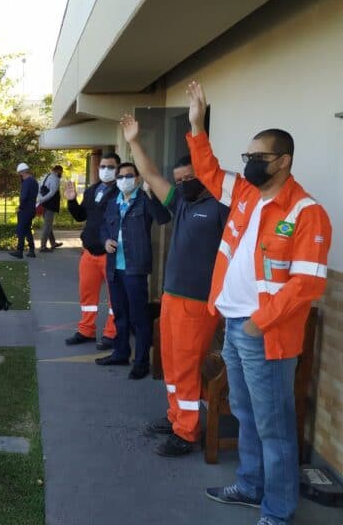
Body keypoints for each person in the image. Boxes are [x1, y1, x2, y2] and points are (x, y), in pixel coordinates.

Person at [186, 82, 331, 525]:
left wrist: (256, 324)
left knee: (275, 426)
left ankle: (278, 509)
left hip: (263, 332)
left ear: (283, 160)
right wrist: (196, 125)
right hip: (233, 323)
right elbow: (210, 173)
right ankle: (250, 486)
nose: (248, 164)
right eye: (247, 158)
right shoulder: (248, 196)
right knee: (246, 413)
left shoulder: (306, 212)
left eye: (258, 158)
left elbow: (307, 285)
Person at [120, 114, 229, 456]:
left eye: (189, 177)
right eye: (179, 179)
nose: (182, 183)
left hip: (198, 301)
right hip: (172, 297)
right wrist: (135, 141)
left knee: (185, 364)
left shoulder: (222, 207)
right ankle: (176, 415)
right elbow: (150, 174)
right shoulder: (183, 202)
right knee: (170, 360)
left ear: (204, 175)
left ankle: (186, 431)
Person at [97, 162, 171, 379]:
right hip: (114, 268)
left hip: (135, 268)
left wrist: (152, 196)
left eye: (128, 176)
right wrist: (105, 241)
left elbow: (164, 218)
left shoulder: (144, 201)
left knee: (139, 317)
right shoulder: (113, 202)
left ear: (137, 179)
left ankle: (141, 362)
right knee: (119, 313)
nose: (123, 180)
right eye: (120, 176)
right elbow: (104, 227)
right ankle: (120, 352)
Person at [63, 153, 121, 348]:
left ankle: (112, 334)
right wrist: (71, 200)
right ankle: (86, 331)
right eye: (103, 166)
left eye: (111, 167)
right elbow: (80, 216)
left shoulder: (121, 192)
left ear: (118, 169)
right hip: (89, 254)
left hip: (111, 255)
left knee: (115, 297)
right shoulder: (91, 190)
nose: (105, 170)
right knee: (87, 296)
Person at [10, 162, 38, 258]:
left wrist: (20, 207)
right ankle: (31, 250)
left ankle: (19, 251)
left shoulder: (27, 182)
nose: (19, 176)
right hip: (31, 209)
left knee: (20, 230)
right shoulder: (34, 181)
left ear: (22, 172)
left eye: (20, 173)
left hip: (25, 210)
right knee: (27, 230)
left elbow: (24, 197)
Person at [36, 165, 64, 252]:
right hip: (50, 205)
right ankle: (43, 246)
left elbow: (39, 188)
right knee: (47, 225)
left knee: (48, 224)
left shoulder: (45, 176)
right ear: (58, 171)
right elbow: (51, 193)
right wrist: (42, 199)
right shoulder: (55, 179)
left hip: (43, 204)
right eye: (61, 172)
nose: (61, 174)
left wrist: (40, 199)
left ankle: (53, 243)